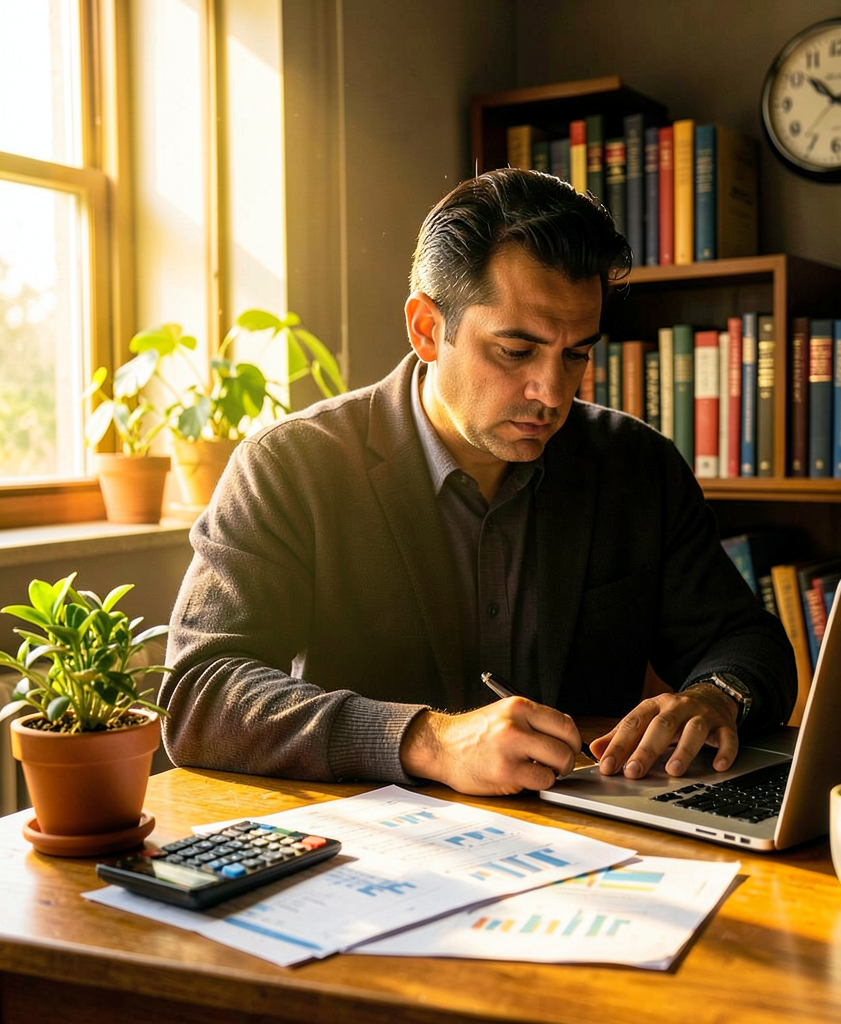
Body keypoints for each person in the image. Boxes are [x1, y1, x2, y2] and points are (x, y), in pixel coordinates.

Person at [161, 168, 796, 796]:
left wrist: (717, 695)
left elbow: (747, 642)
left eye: (576, 354)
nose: (552, 393)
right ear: (427, 329)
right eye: (516, 352)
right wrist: (429, 741)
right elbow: (197, 693)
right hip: (376, 841)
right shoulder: (290, 465)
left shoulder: (638, 466)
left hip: (597, 831)